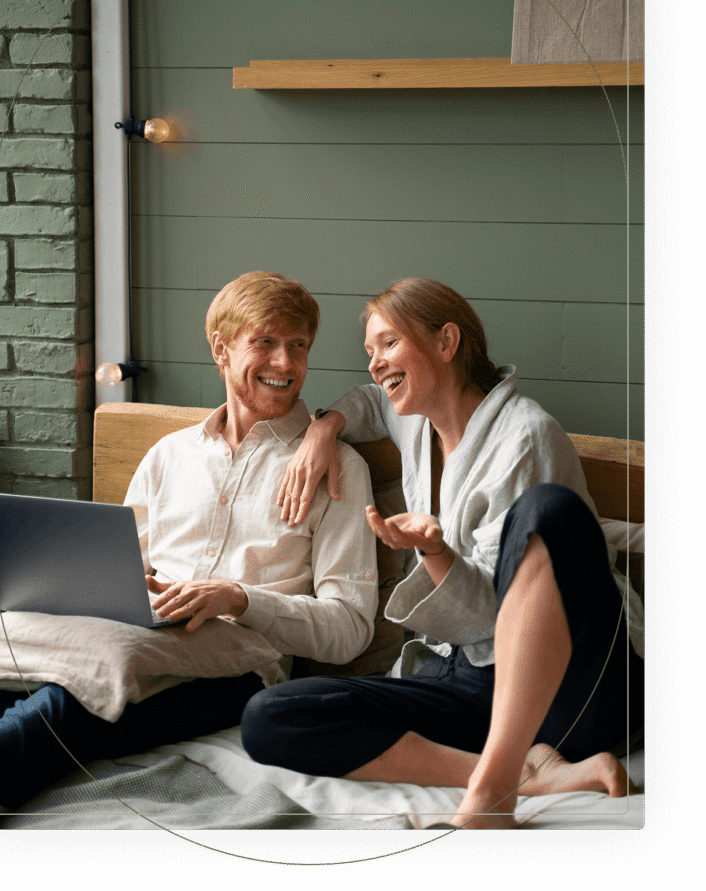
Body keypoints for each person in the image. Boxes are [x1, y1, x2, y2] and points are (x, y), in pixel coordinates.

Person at [240, 277, 644, 830]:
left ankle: (493, 793)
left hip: (574, 687)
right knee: (273, 715)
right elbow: (369, 403)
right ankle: (531, 775)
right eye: (370, 351)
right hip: (475, 681)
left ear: (447, 341)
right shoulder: (415, 420)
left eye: (389, 343)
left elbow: (493, 617)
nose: (375, 364)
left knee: (548, 508)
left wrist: (434, 552)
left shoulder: (525, 436)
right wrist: (323, 429)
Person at [0, 272, 378, 808]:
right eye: (265, 342)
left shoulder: (336, 469)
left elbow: (350, 629)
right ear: (221, 349)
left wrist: (238, 597)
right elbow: (119, 569)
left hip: (234, 673)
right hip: (132, 640)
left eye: (298, 346)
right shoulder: (169, 455)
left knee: (51, 714)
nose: (285, 363)